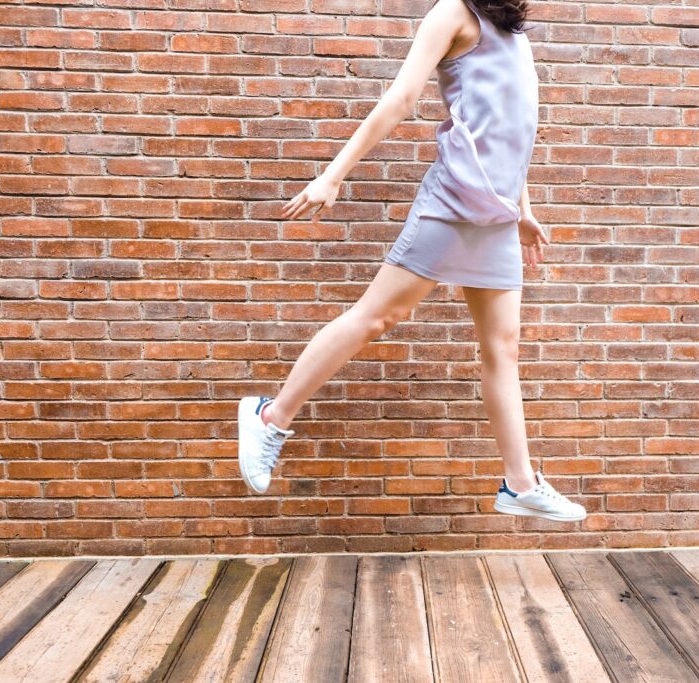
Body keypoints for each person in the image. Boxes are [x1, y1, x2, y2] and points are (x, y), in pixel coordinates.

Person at [237, 0, 586, 522]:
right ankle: (271, 416)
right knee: (378, 316)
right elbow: (401, 98)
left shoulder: (514, 34)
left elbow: (509, 133)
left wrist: (523, 210)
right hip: (452, 203)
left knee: (503, 348)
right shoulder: (453, 12)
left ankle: (519, 484)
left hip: (496, 217)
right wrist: (333, 175)